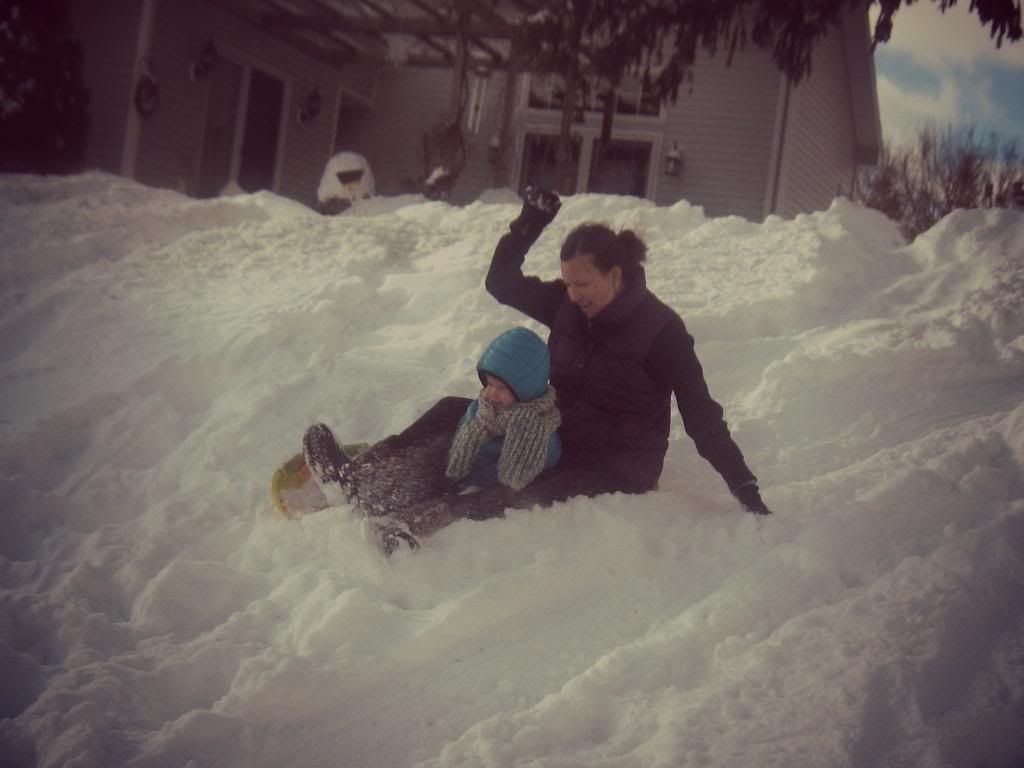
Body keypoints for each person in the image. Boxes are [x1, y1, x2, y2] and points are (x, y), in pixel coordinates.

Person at [483, 186, 771, 516]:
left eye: (583, 284)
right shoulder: (568, 305)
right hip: (559, 437)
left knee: (512, 492)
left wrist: (744, 487)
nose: (573, 295)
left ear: (615, 275)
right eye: (568, 283)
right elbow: (500, 282)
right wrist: (529, 223)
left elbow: (702, 417)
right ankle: (408, 481)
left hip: (618, 466)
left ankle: (422, 523)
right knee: (457, 416)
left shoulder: (661, 331)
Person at [302, 326, 562, 554]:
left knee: (436, 498)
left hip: (474, 490)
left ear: (525, 389)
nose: (491, 393)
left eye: (502, 388)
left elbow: (510, 488)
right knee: (422, 459)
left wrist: (460, 488)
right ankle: (354, 477)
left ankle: (395, 524)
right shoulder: (486, 407)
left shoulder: (538, 438)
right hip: (452, 467)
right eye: (489, 383)